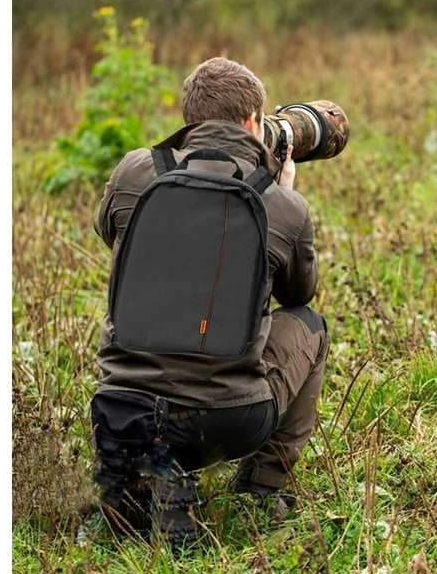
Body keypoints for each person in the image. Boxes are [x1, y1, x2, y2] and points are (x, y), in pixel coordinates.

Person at [89, 56, 329, 554]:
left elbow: (107, 229)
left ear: (189, 120)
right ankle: (260, 491)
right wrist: (280, 196)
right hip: (225, 421)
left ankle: (144, 475)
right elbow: (298, 296)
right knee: (309, 325)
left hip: (119, 410)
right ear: (253, 123)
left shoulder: (135, 170)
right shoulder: (283, 205)